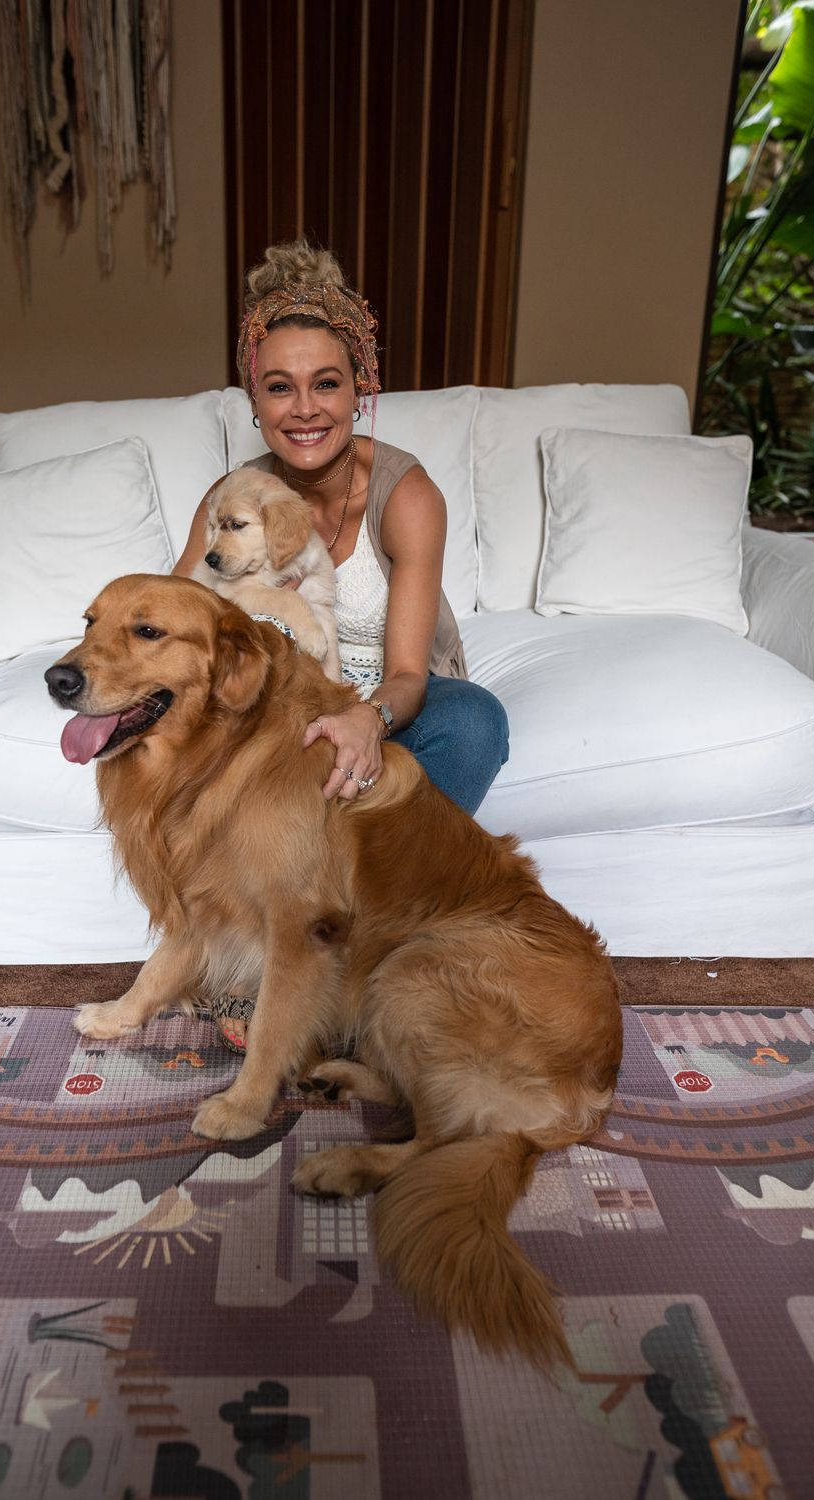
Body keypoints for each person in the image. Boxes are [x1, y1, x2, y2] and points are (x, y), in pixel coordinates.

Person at [173, 239, 509, 1049]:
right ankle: (266, 941)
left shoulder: (407, 493)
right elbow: (177, 621)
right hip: (282, 724)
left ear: (361, 389)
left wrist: (366, 720)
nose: (304, 409)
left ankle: (341, 943)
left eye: (326, 383)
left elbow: (408, 673)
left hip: (392, 716)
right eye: (279, 387)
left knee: (476, 722)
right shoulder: (232, 498)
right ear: (253, 400)